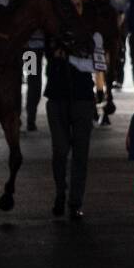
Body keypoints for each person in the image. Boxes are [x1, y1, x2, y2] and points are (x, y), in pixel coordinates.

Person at [44, 41, 97, 221]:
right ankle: (61, 192)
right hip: (59, 96)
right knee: (60, 150)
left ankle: (75, 201)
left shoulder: (92, 33)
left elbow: (95, 65)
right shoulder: (53, 33)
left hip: (80, 98)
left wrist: (68, 57)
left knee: (79, 153)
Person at [9, 0, 44, 130]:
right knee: (15, 81)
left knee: (32, 79)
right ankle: (16, 116)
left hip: (33, 45)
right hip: (15, 44)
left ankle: (31, 115)